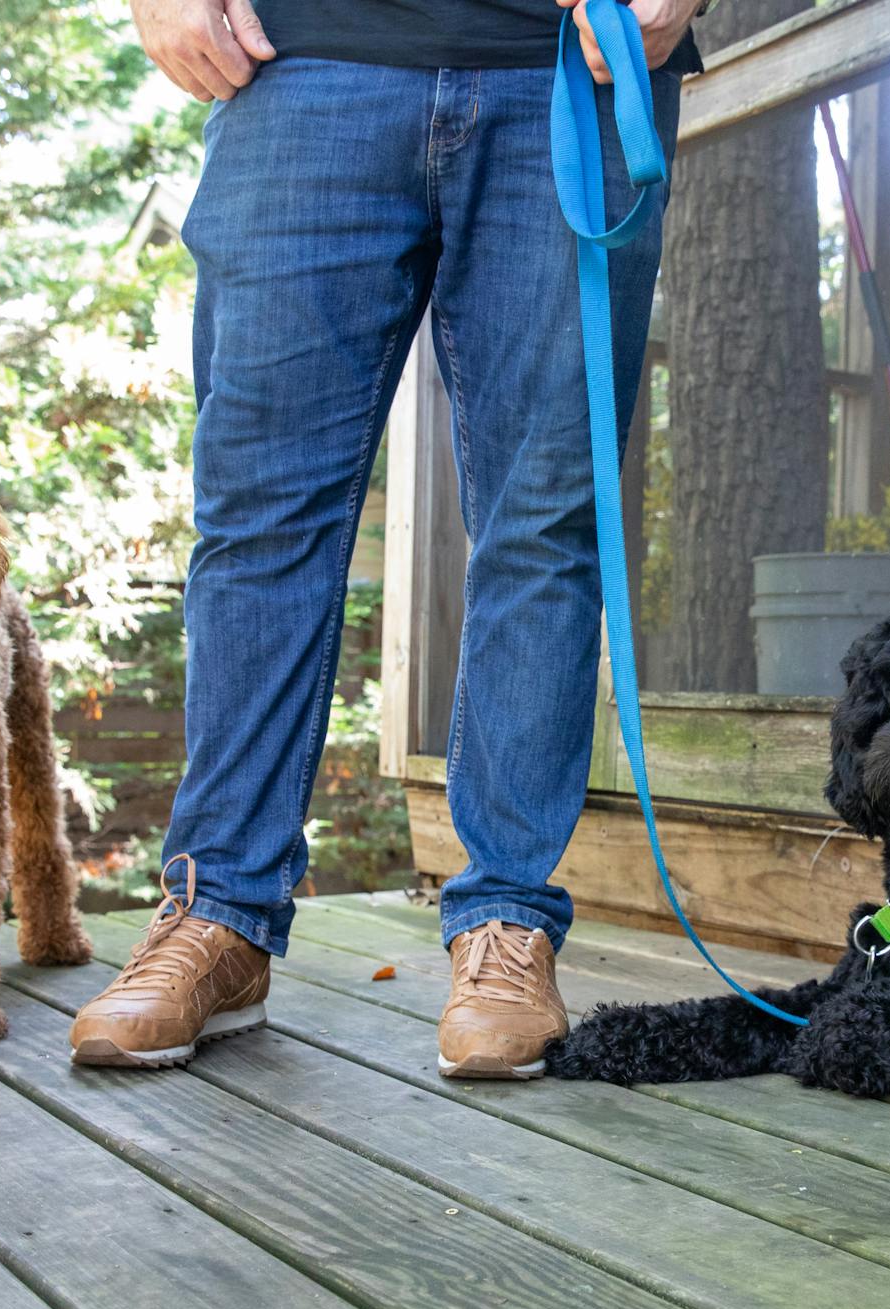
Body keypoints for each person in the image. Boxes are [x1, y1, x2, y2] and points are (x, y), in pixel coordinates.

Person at [68, 0, 705, 1077]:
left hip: (567, 63)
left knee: (545, 523)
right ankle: (215, 910)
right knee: (257, 518)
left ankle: (507, 922)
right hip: (298, 60)